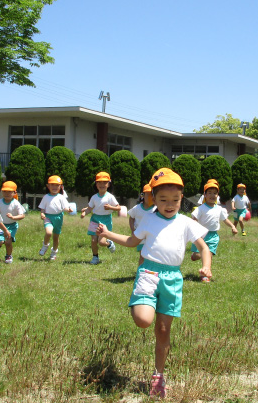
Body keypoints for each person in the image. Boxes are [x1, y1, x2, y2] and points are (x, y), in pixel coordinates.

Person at [96, 168, 211, 398]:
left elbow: (204, 248)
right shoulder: (148, 219)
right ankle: (138, 301)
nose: (170, 204)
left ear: (182, 199)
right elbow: (131, 241)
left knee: (163, 330)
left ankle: (158, 376)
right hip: (148, 272)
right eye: (163, 200)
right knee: (143, 320)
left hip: (173, 279)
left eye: (175, 200)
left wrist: (206, 266)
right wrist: (108, 234)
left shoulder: (186, 223)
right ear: (153, 199)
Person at [190, 180, 238, 281]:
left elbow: (225, 219)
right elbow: (194, 219)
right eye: (209, 193)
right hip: (201, 235)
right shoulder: (201, 208)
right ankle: (195, 255)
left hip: (213, 236)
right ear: (205, 195)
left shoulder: (219, 209)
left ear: (218, 195)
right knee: (199, 254)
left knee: (209, 255)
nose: (212, 195)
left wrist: (233, 227)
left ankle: (205, 274)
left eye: (215, 193)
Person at [80, 172, 121, 265]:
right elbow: (90, 208)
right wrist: (84, 213)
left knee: (102, 242)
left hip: (106, 220)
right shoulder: (94, 197)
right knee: (94, 240)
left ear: (108, 184)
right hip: (94, 219)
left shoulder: (110, 197)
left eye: (104, 182)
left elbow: (119, 208)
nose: (102, 185)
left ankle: (109, 244)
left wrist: (111, 207)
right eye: (99, 182)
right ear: (96, 184)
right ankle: (95, 257)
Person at [38, 175, 73, 261]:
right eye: (52, 185)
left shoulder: (61, 197)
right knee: (49, 233)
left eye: (57, 185)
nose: (54, 187)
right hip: (48, 217)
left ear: (61, 187)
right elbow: (42, 208)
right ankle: (45, 245)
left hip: (58, 218)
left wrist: (68, 210)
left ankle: (54, 252)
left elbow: (65, 207)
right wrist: (42, 214)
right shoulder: (46, 197)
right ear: (48, 186)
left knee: (56, 237)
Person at [0, 181, 26, 264]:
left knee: (8, 242)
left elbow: (22, 215)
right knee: (0, 241)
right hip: (1, 225)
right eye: (4, 191)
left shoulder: (15, 203)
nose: (6, 193)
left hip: (12, 225)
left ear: (14, 192)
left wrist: (13, 217)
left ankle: (8, 255)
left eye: (9, 191)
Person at [128, 184, 156, 267]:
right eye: (148, 194)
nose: (150, 197)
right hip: (140, 236)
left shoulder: (156, 209)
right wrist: (133, 230)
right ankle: (140, 272)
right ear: (143, 195)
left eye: (152, 194)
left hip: (152, 236)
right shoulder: (137, 208)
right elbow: (131, 218)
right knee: (142, 256)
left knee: (152, 256)